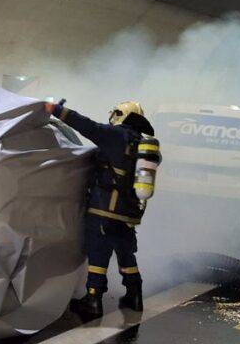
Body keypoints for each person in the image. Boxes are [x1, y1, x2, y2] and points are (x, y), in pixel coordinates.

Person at [45, 98, 162, 320]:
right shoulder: (143, 144)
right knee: (125, 252)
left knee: (98, 252)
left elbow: (85, 125)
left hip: (103, 208)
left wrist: (56, 109)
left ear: (119, 115)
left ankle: (93, 300)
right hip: (128, 212)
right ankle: (134, 295)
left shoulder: (114, 136)